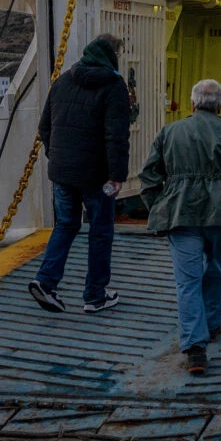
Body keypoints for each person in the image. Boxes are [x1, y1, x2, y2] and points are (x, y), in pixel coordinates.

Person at [138, 79, 221, 375]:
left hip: (181, 212)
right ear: (220, 105)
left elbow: (148, 175)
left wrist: (159, 204)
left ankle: (195, 349)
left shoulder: (170, 131)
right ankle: (211, 324)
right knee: (217, 266)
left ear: (193, 103)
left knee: (187, 279)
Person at [29, 34, 130, 314]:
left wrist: (57, 156)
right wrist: (117, 174)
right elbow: (116, 136)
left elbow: (44, 127)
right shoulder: (113, 85)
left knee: (66, 225)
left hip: (63, 173)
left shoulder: (62, 81)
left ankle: (46, 282)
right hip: (96, 175)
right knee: (100, 231)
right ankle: (95, 296)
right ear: (113, 54)